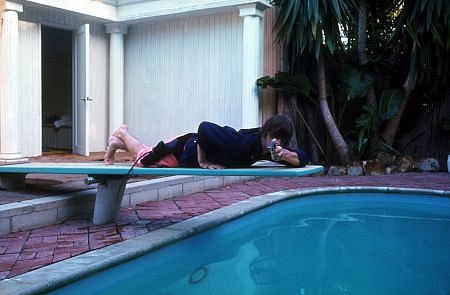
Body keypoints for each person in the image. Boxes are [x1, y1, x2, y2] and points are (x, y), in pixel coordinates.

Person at [104, 115, 309, 169]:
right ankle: (122, 134)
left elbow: (303, 157)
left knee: (146, 152)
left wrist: (287, 155)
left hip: (191, 148)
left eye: (280, 139)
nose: (275, 142)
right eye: (273, 136)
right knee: (143, 159)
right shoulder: (242, 143)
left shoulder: (273, 150)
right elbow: (204, 127)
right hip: (184, 150)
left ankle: (116, 143)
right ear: (265, 133)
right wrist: (203, 161)